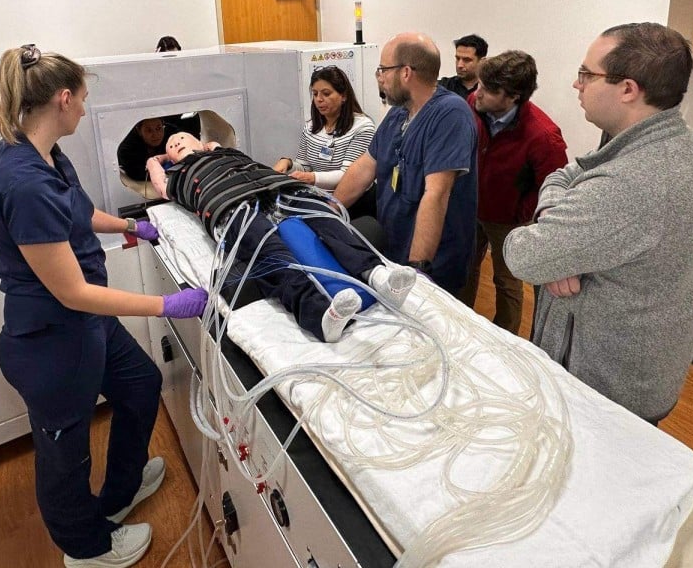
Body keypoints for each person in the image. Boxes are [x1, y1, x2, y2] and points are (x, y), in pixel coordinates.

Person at [0, 45, 208, 568]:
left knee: (141, 385)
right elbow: (71, 292)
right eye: (83, 99)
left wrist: (136, 225)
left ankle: (120, 491)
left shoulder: (43, 153)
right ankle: (84, 549)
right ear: (63, 99)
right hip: (52, 338)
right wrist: (166, 304)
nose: (85, 109)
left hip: (88, 326)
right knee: (65, 453)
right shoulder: (23, 181)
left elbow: (80, 213)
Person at [503, 23, 693, 424]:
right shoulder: (682, 147)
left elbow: (523, 254)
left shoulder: (633, 181)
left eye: (587, 74)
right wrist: (558, 223)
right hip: (642, 377)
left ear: (628, 89)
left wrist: (553, 245)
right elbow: (566, 175)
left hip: (602, 397)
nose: (576, 84)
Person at [147, 133, 417, 343]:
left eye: (182, 137)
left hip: (277, 188)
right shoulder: (176, 177)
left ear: (204, 143)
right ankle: (319, 314)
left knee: (327, 221)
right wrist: (156, 159)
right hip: (230, 205)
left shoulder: (226, 152)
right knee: (268, 250)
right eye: (172, 144)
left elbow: (217, 143)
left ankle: (377, 276)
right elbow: (158, 183)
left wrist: (209, 146)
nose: (177, 142)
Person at [333, 32, 478, 294]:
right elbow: (366, 167)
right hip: (392, 252)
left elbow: (437, 193)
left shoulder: (450, 115)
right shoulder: (398, 114)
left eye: (383, 69)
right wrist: (330, 209)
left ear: (406, 73)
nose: (380, 77)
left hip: (434, 264)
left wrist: (418, 271)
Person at [457, 51, 568, 334]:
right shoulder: (474, 104)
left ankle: (506, 338)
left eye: (488, 89)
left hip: (507, 220)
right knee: (465, 269)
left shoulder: (543, 136)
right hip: (471, 208)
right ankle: (462, 326)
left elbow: (554, 188)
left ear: (513, 96)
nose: (477, 93)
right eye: (479, 84)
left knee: (507, 281)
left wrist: (521, 212)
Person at [273, 65, 377, 218]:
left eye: (326, 94)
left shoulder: (362, 127)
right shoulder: (311, 127)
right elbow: (305, 166)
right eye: (315, 94)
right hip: (320, 200)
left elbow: (350, 176)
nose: (319, 99)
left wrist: (313, 178)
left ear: (344, 96)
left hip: (353, 203)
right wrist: (288, 164)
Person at [117, 118, 172, 182]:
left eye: (158, 128)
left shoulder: (173, 134)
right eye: (149, 130)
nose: (155, 134)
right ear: (139, 131)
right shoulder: (127, 149)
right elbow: (136, 173)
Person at [438, 34, 488, 100]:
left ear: (482, 62)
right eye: (458, 58)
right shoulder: (444, 86)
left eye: (467, 60)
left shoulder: (490, 90)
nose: (459, 65)